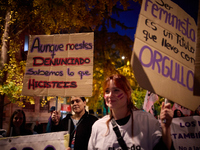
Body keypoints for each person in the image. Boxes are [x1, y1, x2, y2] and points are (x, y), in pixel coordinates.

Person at [88, 74, 174, 150]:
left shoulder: (146, 121)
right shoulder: (98, 126)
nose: (110, 95)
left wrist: (166, 128)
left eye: (116, 90)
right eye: (107, 91)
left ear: (128, 93)